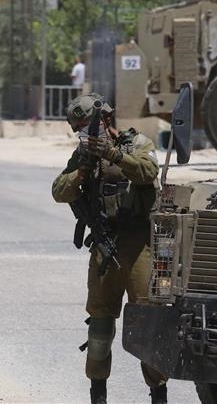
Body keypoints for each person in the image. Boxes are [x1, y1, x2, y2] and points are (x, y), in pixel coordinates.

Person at [52, 93, 168, 404]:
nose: (84, 133)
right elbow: (59, 191)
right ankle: (98, 394)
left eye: (87, 126)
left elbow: (147, 172)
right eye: (79, 129)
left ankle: (158, 393)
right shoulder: (83, 155)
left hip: (140, 245)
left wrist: (113, 154)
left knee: (147, 322)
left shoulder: (137, 143)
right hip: (105, 245)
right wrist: (81, 171)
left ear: (105, 120)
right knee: (100, 326)